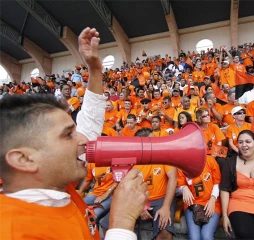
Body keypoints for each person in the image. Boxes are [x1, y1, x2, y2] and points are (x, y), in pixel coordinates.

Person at [0, 27, 148, 239]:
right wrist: (122, 224)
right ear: (24, 159)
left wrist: (95, 70)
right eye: (68, 135)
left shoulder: (53, 186)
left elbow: (89, 122)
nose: (84, 139)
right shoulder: (13, 231)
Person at [133, 128, 178, 240]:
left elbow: (173, 177)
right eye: (152, 140)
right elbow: (128, 185)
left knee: (165, 231)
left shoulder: (163, 154)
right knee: (112, 223)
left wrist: (166, 207)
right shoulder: (133, 158)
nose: (156, 142)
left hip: (162, 198)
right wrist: (141, 207)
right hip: (140, 199)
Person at [177, 155, 221, 240]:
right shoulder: (181, 164)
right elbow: (178, 187)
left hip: (212, 201)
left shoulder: (210, 160)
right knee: (194, 237)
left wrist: (213, 199)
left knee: (206, 236)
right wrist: (184, 188)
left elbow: (217, 183)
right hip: (191, 203)